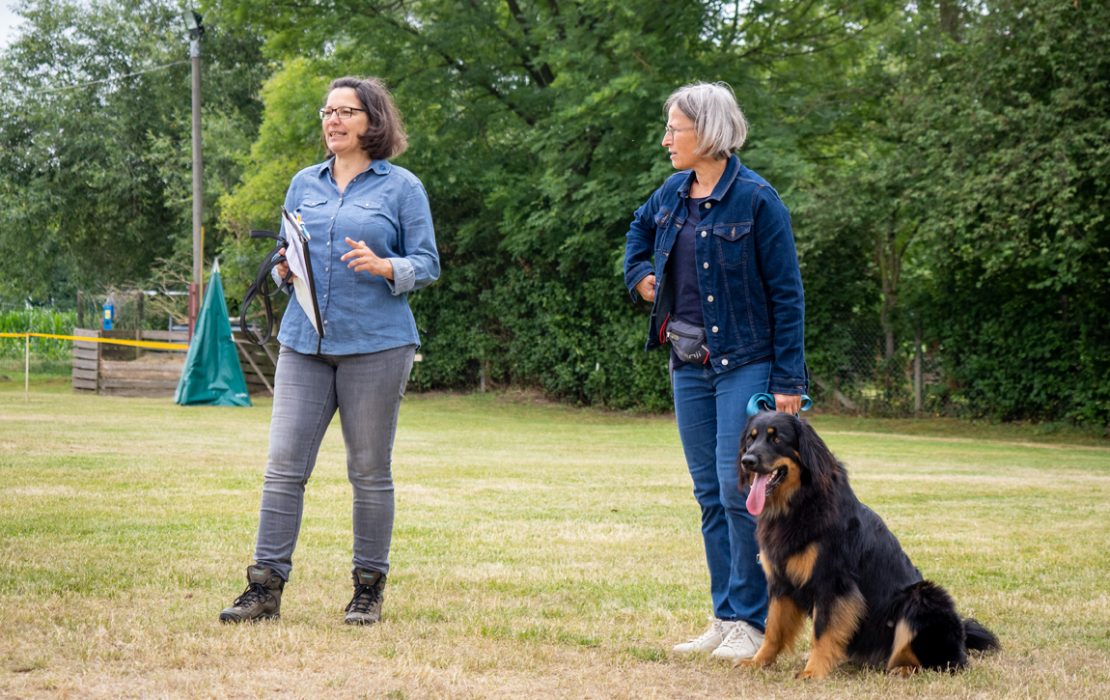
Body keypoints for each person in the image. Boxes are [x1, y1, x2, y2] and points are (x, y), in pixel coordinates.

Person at [220, 76, 440, 625]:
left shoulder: (402, 188)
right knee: (283, 468)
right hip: (303, 343)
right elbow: (282, 256)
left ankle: (368, 589)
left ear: (373, 121)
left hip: (378, 345)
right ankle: (264, 588)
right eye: (328, 111)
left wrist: (388, 267)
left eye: (346, 111)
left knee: (368, 470)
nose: (333, 120)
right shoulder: (303, 183)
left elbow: (428, 263)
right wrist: (280, 267)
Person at [623, 82, 806, 661]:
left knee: (740, 491)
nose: (665, 139)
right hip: (687, 362)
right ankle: (725, 616)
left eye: (674, 128)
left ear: (708, 131)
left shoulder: (757, 199)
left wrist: (789, 381)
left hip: (745, 364)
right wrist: (639, 276)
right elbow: (637, 229)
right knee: (708, 493)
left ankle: (752, 623)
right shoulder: (674, 193)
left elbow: (788, 295)